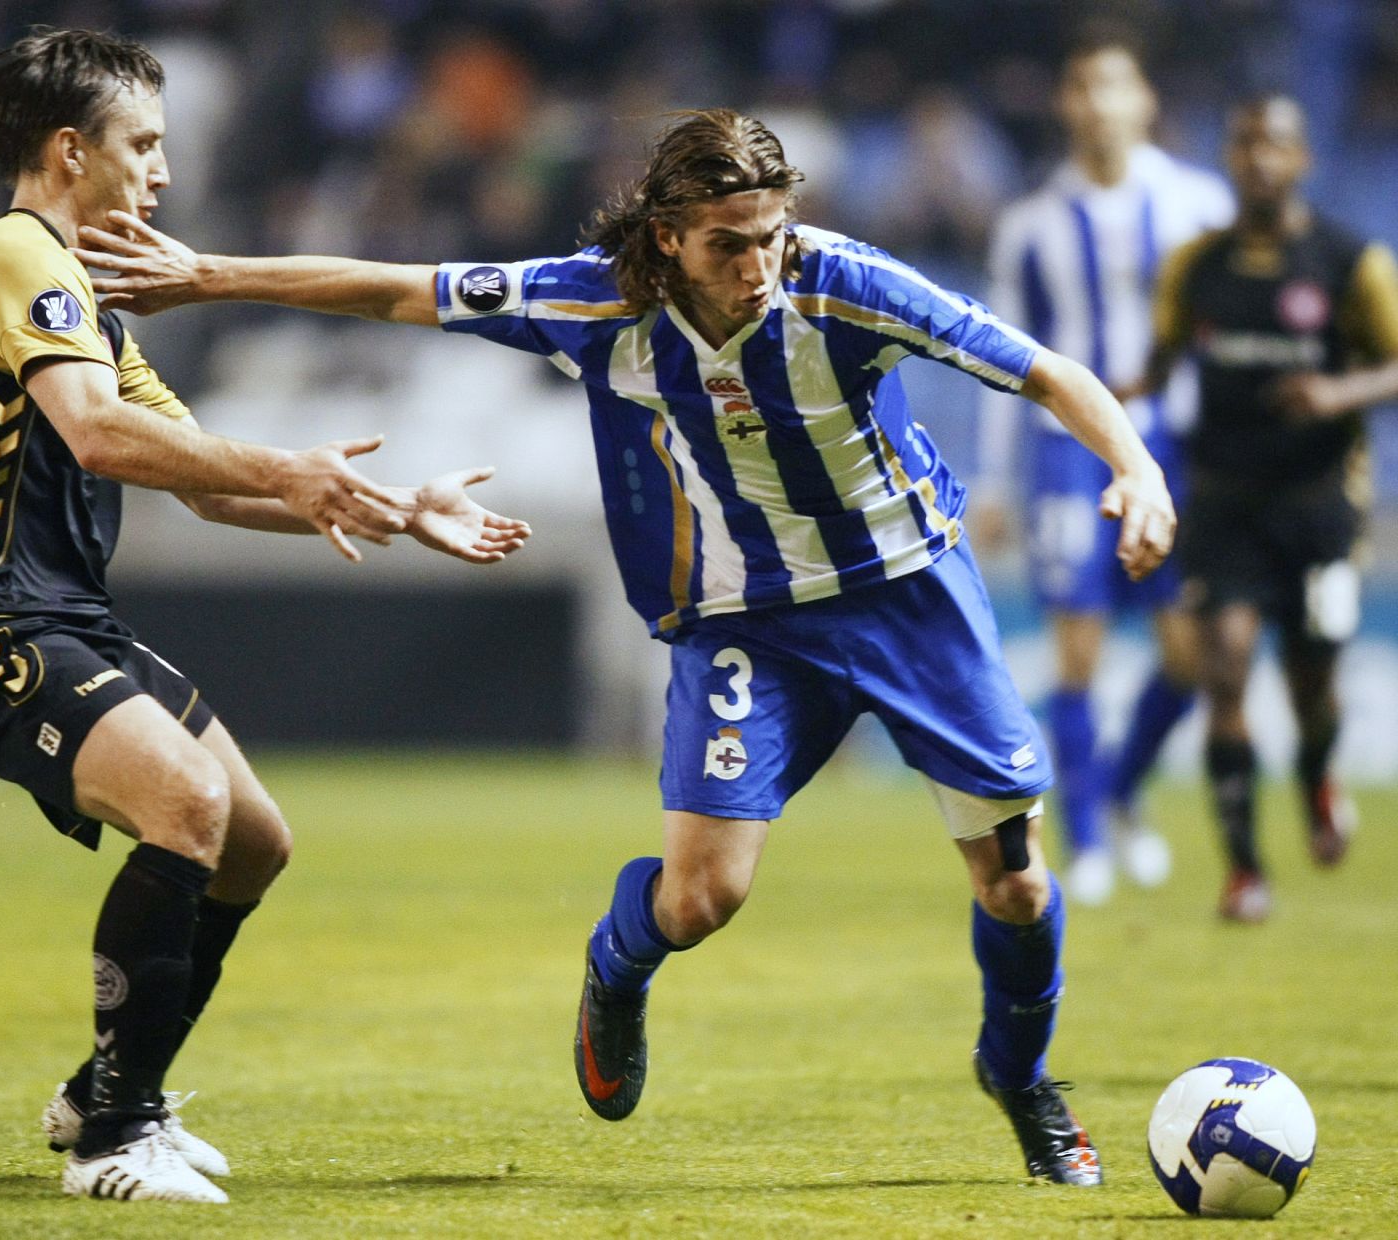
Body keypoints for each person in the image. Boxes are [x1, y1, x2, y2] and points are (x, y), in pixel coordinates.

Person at [74, 108, 1180, 1186]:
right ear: (667, 238)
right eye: (730, 244)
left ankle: (1021, 1077)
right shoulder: (590, 299)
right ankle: (617, 963)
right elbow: (395, 287)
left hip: (910, 597)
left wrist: (1133, 469)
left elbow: (1046, 372)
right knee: (700, 899)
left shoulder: (844, 283)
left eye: (772, 236)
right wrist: (210, 274)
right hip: (744, 617)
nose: (759, 266)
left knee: (1016, 894)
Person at [0, 28, 529, 1205]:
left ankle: (102, 1085)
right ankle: (111, 1139)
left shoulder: (91, 309)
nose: (163, 173)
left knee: (253, 841)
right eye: (145, 145)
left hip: (66, 616)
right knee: (188, 800)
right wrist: (290, 466)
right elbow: (95, 432)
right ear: (70, 150)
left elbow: (195, 479)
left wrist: (392, 506)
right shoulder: (9, 253)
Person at [973, 32, 1233, 906]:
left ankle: (1119, 791)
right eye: (1081, 87)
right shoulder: (1032, 224)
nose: (1097, 104)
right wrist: (997, 481)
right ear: (1065, 105)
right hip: (1063, 456)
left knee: (1188, 654)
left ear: (1144, 101)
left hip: (1179, 446)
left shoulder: (1200, 207)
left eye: (1113, 86)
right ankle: (1084, 839)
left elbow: (1226, 337)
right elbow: (1002, 358)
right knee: (1076, 645)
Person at [1131, 94, 1398, 922]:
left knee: (1313, 682)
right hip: (1225, 502)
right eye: (1244, 142)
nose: (1258, 158)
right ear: (1229, 156)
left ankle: (1317, 774)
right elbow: (1158, 363)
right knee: (1226, 673)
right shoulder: (1195, 266)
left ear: (1303, 158)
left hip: (1320, 506)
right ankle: (1245, 872)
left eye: (1275, 143)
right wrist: (1096, 405)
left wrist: (1337, 390)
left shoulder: (1350, 261)